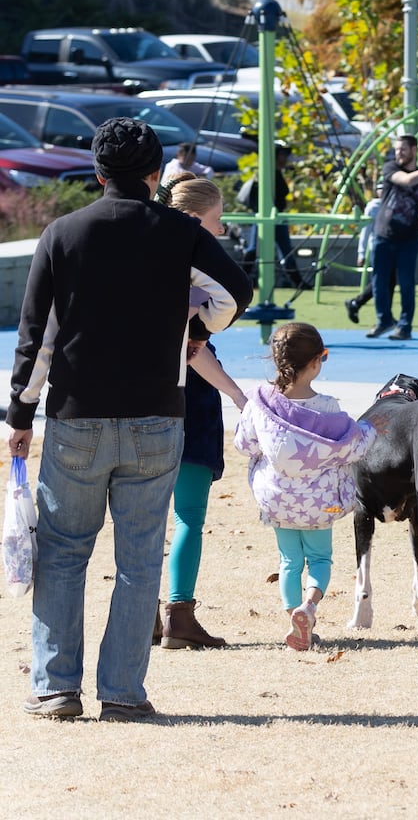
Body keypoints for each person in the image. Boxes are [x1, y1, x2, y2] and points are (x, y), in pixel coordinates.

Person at [7, 117, 252, 721]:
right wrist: (194, 329)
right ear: (155, 175)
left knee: (63, 553)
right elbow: (233, 293)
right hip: (155, 415)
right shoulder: (180, 232)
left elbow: (38, 336)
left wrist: (20, 411)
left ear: (97, 174)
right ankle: (122, 692)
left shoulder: (63, 233)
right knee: (139, 557)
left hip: (74, 416)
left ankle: (56, 688)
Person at [234, 323, 375, 650]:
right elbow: (354, 446)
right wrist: (371, 426)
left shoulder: (260, 403)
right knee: (320, 559)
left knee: (288, 561)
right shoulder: (328, 408)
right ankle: (308, 607)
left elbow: (245, 444)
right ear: (314, 362)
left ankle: (292, 616)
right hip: (319, 504)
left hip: (279, 501)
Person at [155, 177, 250, 649]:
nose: (222, 226)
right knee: (188, 514)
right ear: (195, 221)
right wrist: (238, 395)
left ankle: (146, 612)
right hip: (188, 403)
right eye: (217, 218)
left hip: (137, 398)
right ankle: (179, 612)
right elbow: (196, 351)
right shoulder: (199, 272)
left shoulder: (145, 260)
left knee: (144, 516)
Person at [368, 134, 418, 340]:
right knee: (379, 282)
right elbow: (405, 180)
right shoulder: (390, 168)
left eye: (403, 149)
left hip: (407, 238)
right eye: (396, 150)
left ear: (414, 150)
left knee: (406, 283)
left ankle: (405, 326)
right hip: (384, 235)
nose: (399, 153)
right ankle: (384, 320)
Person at [240, 144, 309, 291]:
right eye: (282, 155)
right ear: (275, 157)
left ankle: (297, 282)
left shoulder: (274, 173)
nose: (285, 159)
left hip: (275, 217)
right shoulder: (269, 174)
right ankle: (239, 280)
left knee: (282, 250)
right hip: (268, 216)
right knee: (257, 249)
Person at [343, 191, 385, 325]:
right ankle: (358, 303)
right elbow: (365, 230)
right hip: (378, 248)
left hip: (392, 247)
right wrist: (361, 252)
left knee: (386, 281)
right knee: (381, 281)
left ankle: (357, 303)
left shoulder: (395, 203)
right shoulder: (374, 206)